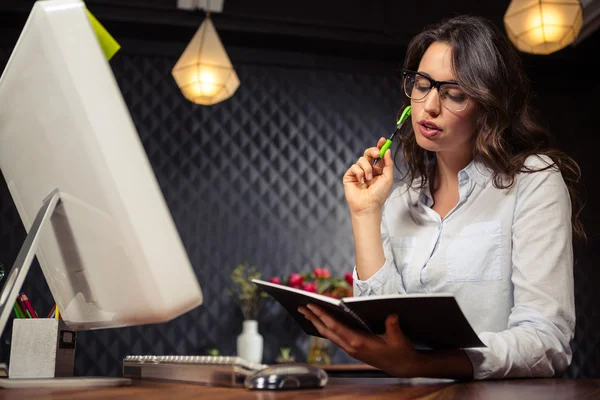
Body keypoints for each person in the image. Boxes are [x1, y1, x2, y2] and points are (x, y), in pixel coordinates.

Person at [298, 14, 584, 380]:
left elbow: (547, 341)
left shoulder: (534, 182)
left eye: (453, 93)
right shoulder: (400, 200)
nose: (430, 105)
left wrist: (422, 364)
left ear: (488, 104)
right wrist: (366, 214)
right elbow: (383, 328)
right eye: (422, 84)